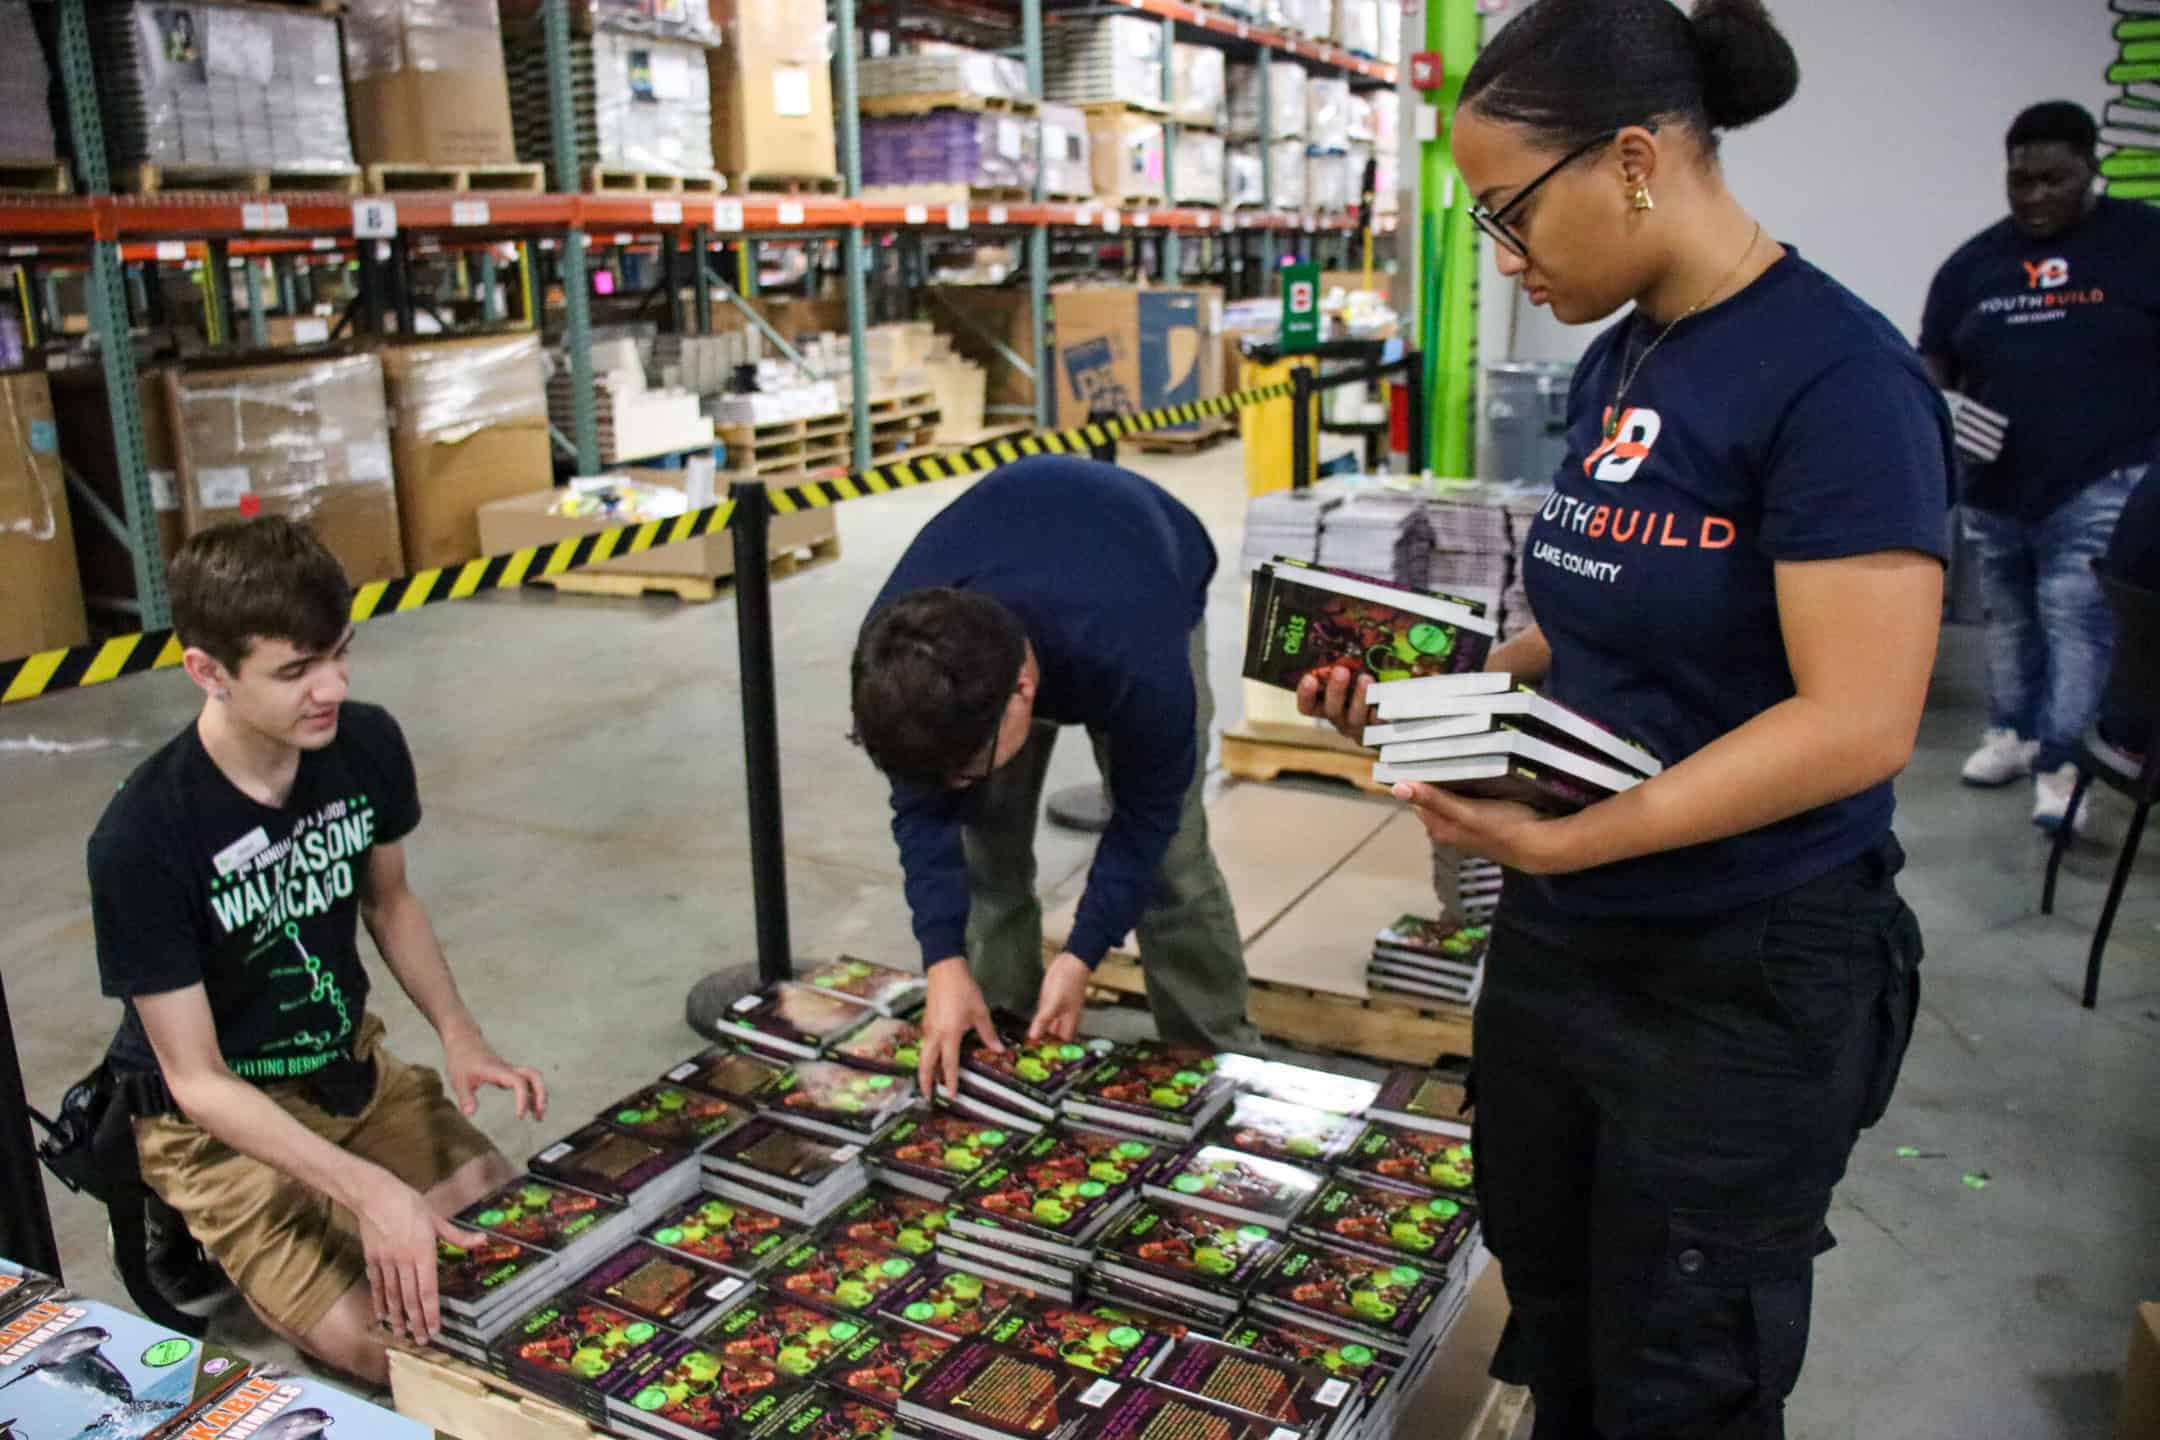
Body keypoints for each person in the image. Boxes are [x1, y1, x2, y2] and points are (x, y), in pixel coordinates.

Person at [1302, 1, 1947, 1434]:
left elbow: (1858, 723)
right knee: (1562, 1309)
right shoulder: (1627, 354)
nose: (1506, 256)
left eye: (1511, 213)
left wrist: (1566, 851)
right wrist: (1448, 691)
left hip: (1737, 970)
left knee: (1683, 1370)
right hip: (1571, 955)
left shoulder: (1838, 381)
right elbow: (1590, 624)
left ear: (1637, 162)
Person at [88, 517, 545, 1386]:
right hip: (216, 1121)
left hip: (350, 1069)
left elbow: (389, 900)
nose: (330, 686)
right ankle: (200, 1228)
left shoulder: (363, 742)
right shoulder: (143, 836)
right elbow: (198, 1080)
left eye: (340, 653)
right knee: (409, 1354)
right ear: (208, 673)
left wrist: (459, 1035)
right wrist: (366, 1191)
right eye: (295, 670)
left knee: (519, 1269)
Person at [845, 454, 1254, 1099]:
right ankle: (996, 1046)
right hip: (1015, 577)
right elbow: (924, 808)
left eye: (963, 770)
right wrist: (943, 961)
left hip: (1144, 563)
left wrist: (1083, 953)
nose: (951, 787)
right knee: (985, 856)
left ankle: (1220, 1062)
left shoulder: (1139, 654)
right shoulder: (902, 654)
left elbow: (1147, 818)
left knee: (1174, 866)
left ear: (1024, 692)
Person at [1921, 101, 2160, 832]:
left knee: (2076, 620)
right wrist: (1939, 406)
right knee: (2010, 619)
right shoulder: (1976, 262)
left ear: (2091, 168)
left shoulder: (2142, 241)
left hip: (2104, 476)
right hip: (1996, 486)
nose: (2034, 196)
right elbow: (1933, 358)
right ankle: (2013, 735)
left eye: (2054, 179)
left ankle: (2064, 766)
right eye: (2020, 181)